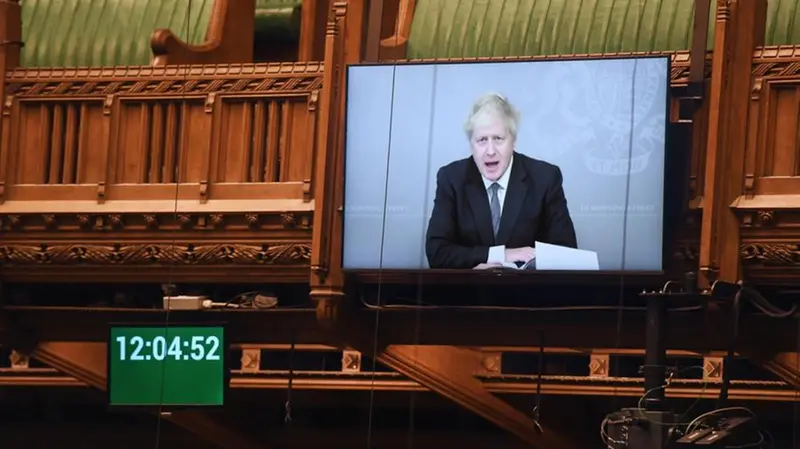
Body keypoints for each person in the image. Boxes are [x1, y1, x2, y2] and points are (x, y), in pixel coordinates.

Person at [425, 92, 577, 270]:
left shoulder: (545, 178)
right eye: (482, 140)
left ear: (513, 141)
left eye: (498, 139)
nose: (490, 151)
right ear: (471, 145)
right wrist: (498, 255)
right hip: (470, 294)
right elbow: (437, 252)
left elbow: (566, 253)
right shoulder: (452, 178)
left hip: (527, 294)